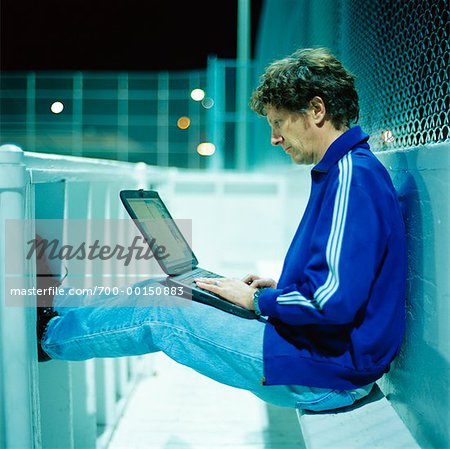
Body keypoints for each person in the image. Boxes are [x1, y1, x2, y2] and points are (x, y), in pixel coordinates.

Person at [37, 47, 407, 411]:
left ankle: (46, 338)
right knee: (167, 289)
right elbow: (343, 284)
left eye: (278, 123)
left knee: (161, 312)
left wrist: (259, 302)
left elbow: (331, 302)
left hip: (323, 372)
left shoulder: (351, 178)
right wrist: (280, 290)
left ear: (316, 110)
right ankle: (58, 304)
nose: (275, 138)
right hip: (317, 352)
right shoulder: (345, 171)